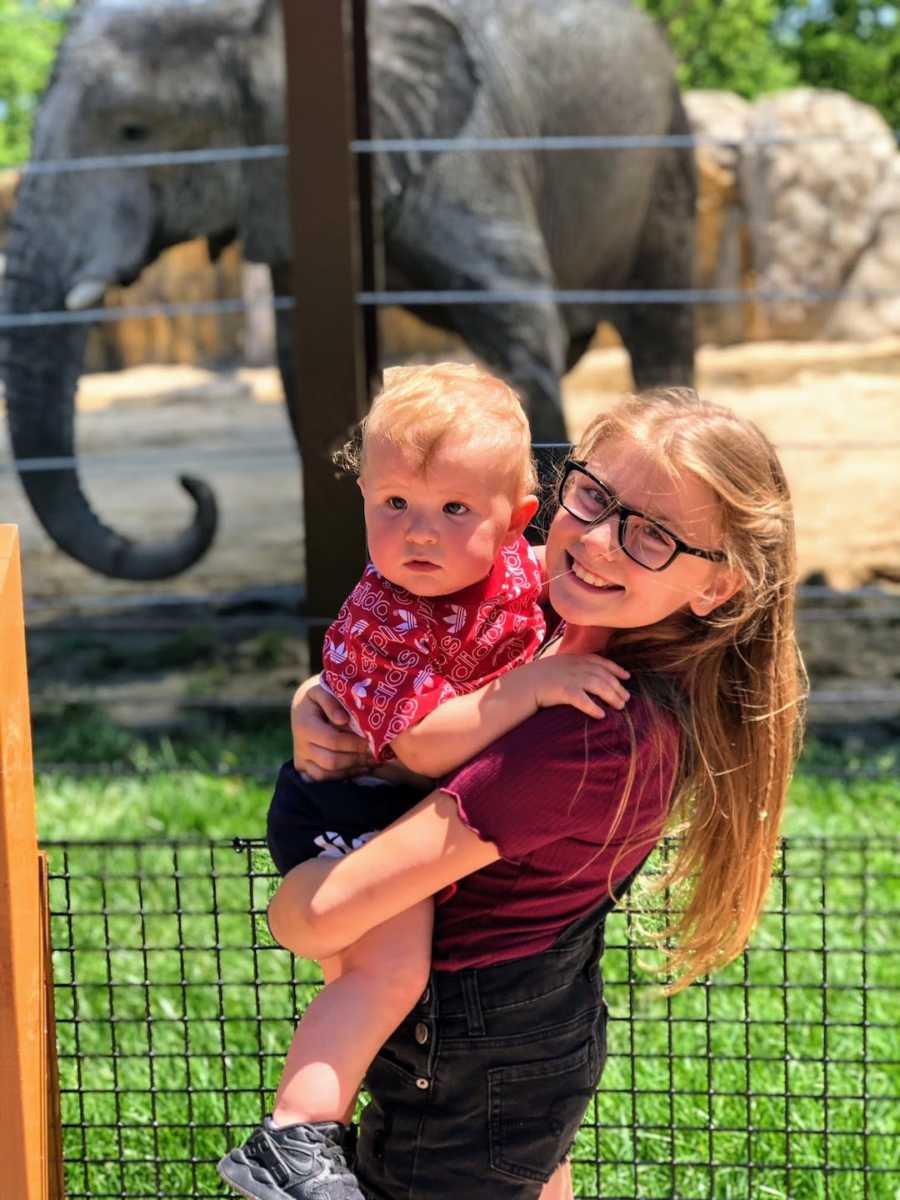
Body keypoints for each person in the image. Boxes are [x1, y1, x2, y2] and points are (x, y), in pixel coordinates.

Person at [221, 387, 805, 1200]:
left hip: (466, 1073)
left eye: (650, 537)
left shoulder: (584, 730)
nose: (597, 542)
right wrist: (327, 706)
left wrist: (306, 873)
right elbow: (426, 691)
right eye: (595, 495)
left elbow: (319, 916)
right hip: (523, 1045)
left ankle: (289, 1137)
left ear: (718, 587)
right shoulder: (557, 632)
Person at [218, 362, 632, 1200]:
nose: (419, 533)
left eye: (454, 509)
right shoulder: (381, 615)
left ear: (518, 520)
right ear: (363, 495)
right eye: (394, 504)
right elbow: (420, 747)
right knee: (387, 968)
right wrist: (530, 688)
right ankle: (295, 1131)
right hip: (353, 803)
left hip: (427, 824)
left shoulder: (525, 576)